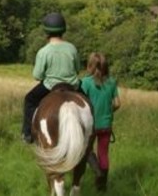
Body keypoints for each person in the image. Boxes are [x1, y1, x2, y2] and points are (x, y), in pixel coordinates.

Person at [21, 12, 82, 144]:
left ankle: (27, 134)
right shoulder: (72, 48)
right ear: (63, 30)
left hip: (50, 87)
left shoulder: (44, 51)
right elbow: (77, 69)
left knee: (29, 99)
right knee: (89, 102)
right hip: (72, 86)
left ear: (46, 31)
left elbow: (37, 75)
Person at [79, 52, 121, 192]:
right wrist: (108, 112)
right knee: (103, 153)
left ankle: (97, 171)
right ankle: (102, 186)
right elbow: (117, 104)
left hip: (90, 125)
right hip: (106, 124)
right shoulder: (112, 82)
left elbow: (80, 102)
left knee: (87, 150)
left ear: (90, 65)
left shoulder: (86, 82)